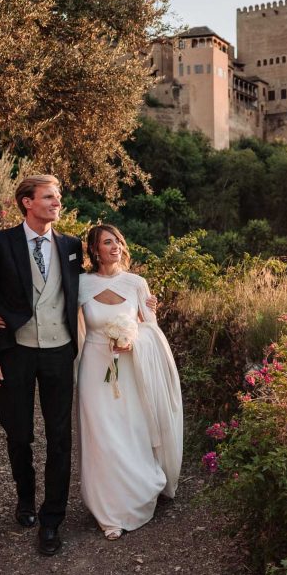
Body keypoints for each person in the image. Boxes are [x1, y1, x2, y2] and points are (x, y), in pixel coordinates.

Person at [0, 174, 81, 556]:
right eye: (49, 197)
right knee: (18, 432)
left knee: (60, 436)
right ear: (26, 202)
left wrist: (140, 304)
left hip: (60, 351)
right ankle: (25, 499)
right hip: (13, 351)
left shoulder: (71, 246)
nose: (57, 203)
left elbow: (92, 285)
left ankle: (52, 520)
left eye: (58, 197)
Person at [73, 224, 183, 539]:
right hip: (94, 367)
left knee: (129, 429)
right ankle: (108, 511)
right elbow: (59, 316)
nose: (116, 247)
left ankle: (136, 494)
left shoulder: (136, 283)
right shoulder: (81, 284)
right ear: (94, 250)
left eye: (119, 241)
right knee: (101, 434)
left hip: (130, 368)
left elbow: (152, 330)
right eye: (108, 242)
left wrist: (132, 339)